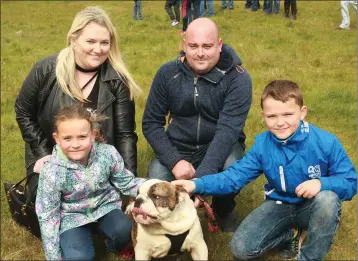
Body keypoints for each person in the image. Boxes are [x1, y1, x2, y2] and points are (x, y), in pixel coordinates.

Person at [173, 80, 357, 260]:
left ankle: (309, 256)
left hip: (312, 206)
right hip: (279, 204)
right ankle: (290, 235)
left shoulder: (326, 142)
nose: (280, 122)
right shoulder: (262, 145)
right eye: (272, 116)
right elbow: (233, 177)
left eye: (288, 114)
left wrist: (321, 183)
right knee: (241, 249)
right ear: (263, 116)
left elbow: (350, 182)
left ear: (302, 113)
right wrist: (195, 184)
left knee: (327, 199)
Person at [15, 6, 141, 200]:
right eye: (90, 41)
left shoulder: (117, 81)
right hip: (50, 159)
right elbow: (23, 112)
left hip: (98, 165)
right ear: (73, 39)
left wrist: (127, 184)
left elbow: (125, 136)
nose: (98, 50)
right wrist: (44, 154)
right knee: (52, 201)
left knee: (106, 213)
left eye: (104, 43)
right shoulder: (46, 70)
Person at [142, 18, 252, 233]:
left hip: (221, 144)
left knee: (234, 167)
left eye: (207, 46)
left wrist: (200, 181)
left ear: (219, 45)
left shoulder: (238, 79)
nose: (200, 53)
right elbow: (151, 123)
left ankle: (223, 209)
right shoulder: (166, 73)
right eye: (193, 46)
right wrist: (174, 162)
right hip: (178, 146)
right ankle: (172, 224)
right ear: (184, 45)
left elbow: (228, 130)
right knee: (157, 178)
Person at [35, 104, 145, 260]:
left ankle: (113, 245)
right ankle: (78, 244)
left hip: (105, 207)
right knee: (79, 258)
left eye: (82, 137)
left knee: (126, 230)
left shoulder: (107, 153)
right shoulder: (51, 171)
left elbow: (126, 182)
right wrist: (53, 257)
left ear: (92, 135)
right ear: (57, 139)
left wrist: (155, 186)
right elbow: (47, 216)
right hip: (71, 217)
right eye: (67, 138)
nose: (75, 144)